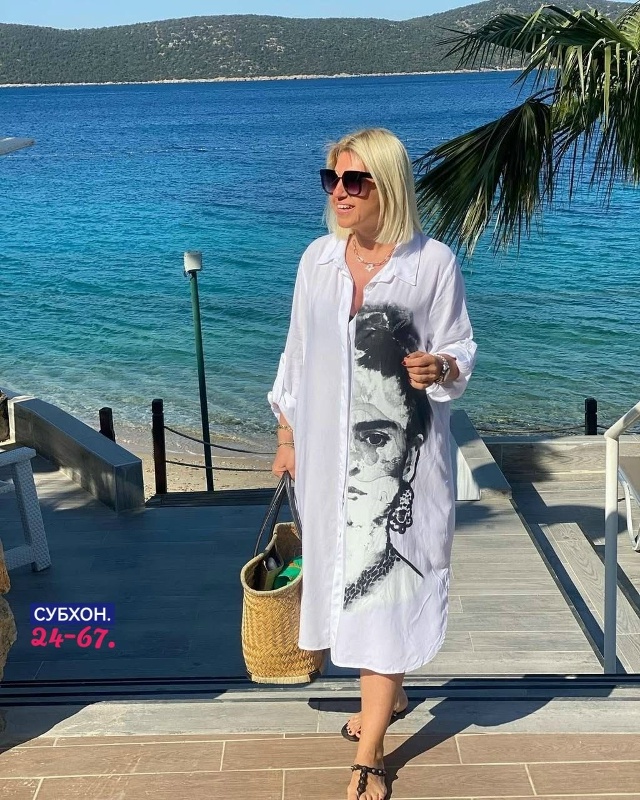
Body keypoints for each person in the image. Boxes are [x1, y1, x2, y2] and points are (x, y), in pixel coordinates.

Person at [268, 128, 476, 800]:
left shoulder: (431, 263)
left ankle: (371, 751)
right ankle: (389, 695)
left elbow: (459, 348)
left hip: (395, 464)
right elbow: (298, 355)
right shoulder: (317, 260)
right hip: (328, 463)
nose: (340, 192)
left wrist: (440, 366)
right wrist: (286, 435)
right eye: (331, 179)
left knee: (381, 593)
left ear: (387, 186)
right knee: (347, 585)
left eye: (355, 181)